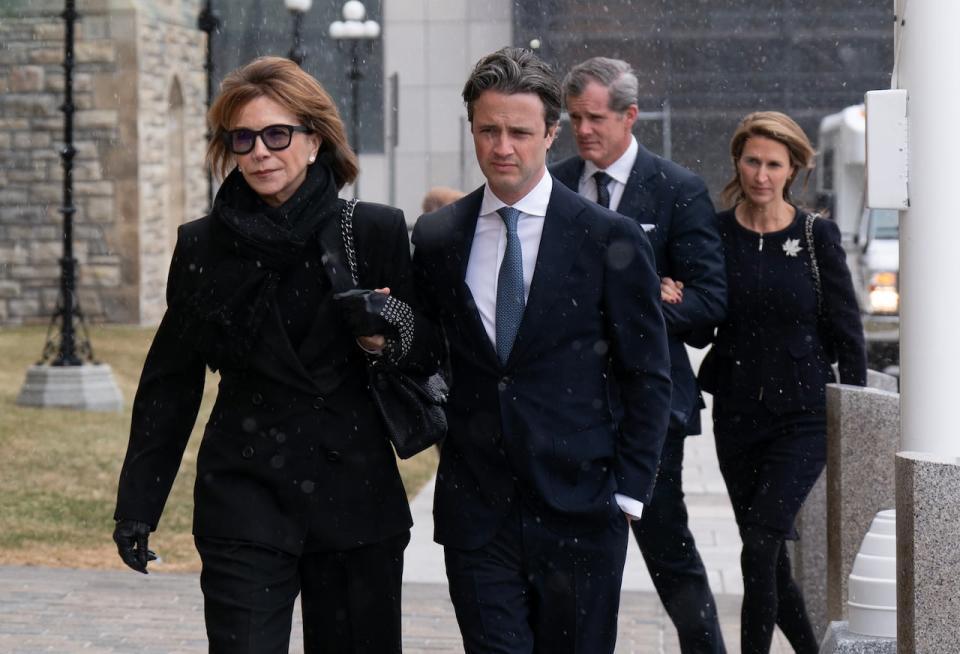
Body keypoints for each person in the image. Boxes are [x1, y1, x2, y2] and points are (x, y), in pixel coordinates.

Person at [112, 56, 440, 653]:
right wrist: (138, 503)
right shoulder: (202, 245)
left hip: (355, 497)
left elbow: (426, 356)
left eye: (277, 134)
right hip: (245, 494)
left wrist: (386, 329)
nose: (261, 152)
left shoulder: (372, 231)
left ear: (314, 142)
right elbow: (172, 381)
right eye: (244, 137)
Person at [411, 47, 672, 654]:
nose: (503, 146)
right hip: (478, 513)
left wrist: (628, 494)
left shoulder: (610, 237)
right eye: (489, 130)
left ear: (551, 133)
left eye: (520, 132)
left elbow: (648, 374)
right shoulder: (438, 237)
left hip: (583, 512)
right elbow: (428, 355)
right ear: (473, 130)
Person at [551, 57, 728, 654]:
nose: (583, 130)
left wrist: (631, 311)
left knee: (665, 546)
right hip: (567, 403)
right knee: (571, 551)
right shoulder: (553, 182)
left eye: (595, 118)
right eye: (574, 118)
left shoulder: (677, 189)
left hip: (648, 404)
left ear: (629, 115)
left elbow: (707, 305)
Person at [698, 111, 866, 654]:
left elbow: (847, 331)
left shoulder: (817, 237)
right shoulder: (716, 234)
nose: (761, 174)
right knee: (763, 552)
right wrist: (673, 294)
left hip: (803, 417)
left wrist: (855, 413)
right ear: (737, 162)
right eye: (752, 161)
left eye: (774, 164)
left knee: (762, 543)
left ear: (793, 168)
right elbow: (703, 326)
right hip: (738, 413)